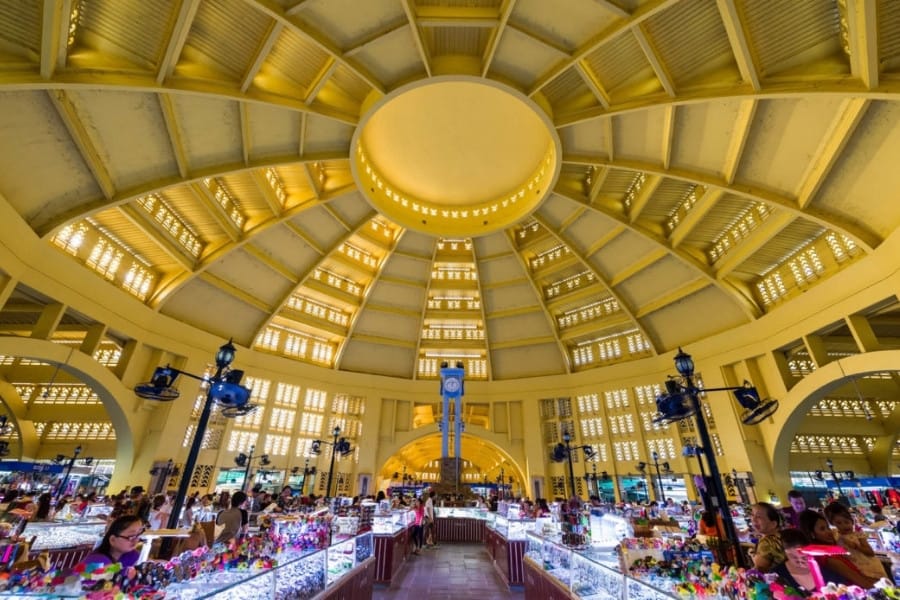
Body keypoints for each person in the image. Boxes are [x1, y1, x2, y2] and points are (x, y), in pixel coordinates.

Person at [797, 509, 879, 588]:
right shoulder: (827, 557)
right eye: (822, 529)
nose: (829, 532)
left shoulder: (832, 550)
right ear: (812, 534)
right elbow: (863, 582)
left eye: (827, 527)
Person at [823, 502, 887, 580]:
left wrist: (856, 546)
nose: (844, 526)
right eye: (839, 523)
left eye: (846, 522)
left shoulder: (858, 535)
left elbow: (870, 552)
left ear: (851, 521)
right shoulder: (836, 536)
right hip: (855, 571)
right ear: (833, 523)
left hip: (871, 567)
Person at [78, 515, 144, 568]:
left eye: (137, 535)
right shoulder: (97, 562)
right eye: (131, 536)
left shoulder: (130, 556)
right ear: (113, 540)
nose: (136, 541)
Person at [749, 502, 785, 572]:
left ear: (773, 524)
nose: (753, 519)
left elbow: (760, 568)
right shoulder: (783, 536)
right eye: (752, 515)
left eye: (759, 516)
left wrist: (752, 554)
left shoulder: (767, 542)